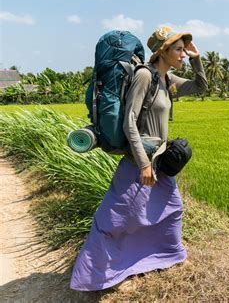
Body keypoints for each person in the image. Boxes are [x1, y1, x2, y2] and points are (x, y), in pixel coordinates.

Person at [70, 26, 208, 291]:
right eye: (178, 49)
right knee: (114, 219)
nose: (182, 54)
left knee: (171, 211)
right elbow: (130, 122)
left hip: (160, 161)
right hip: (140, 161)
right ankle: (92, 277)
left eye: (183, 49)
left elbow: (201, 86)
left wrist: (195, 58)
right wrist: (144, 164)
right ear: (162, 51)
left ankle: (164, 257)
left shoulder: (168, 80)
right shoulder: (145, 76)